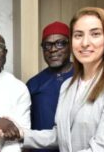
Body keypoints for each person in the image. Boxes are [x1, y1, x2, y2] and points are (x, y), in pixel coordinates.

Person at [0, 7, 104, 152]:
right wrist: (20, 133)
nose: (85, 42)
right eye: (78, 35)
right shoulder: (68, 85)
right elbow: (59, 136)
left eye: (95, 34)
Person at [26, 21, 73, 152]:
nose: (53, 49)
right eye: (47, 45)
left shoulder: (85, 77)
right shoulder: (33, 84)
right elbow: (26, 127)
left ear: (71, 45)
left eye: (60, 43)